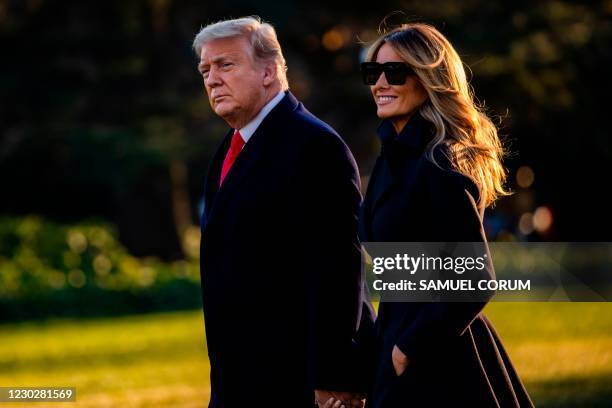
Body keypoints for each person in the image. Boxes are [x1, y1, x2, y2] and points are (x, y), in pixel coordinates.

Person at [194, 17, 375, 408]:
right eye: (205, 70)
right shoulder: (228, 149)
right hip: (240, 378)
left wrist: (334, 374)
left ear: (269, 71)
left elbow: (338, 272)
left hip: (297, 381)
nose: (212, 79)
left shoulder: (315, 146)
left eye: (226, 65)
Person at [357, 23, 534, 407]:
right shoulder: (391, 157)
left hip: (438, 357)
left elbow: (476, 280)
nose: (380, 83)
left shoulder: (438, 162)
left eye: (396, 72)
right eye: (374, 72)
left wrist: (406, 350)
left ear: (428, 79)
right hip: (397, 339)